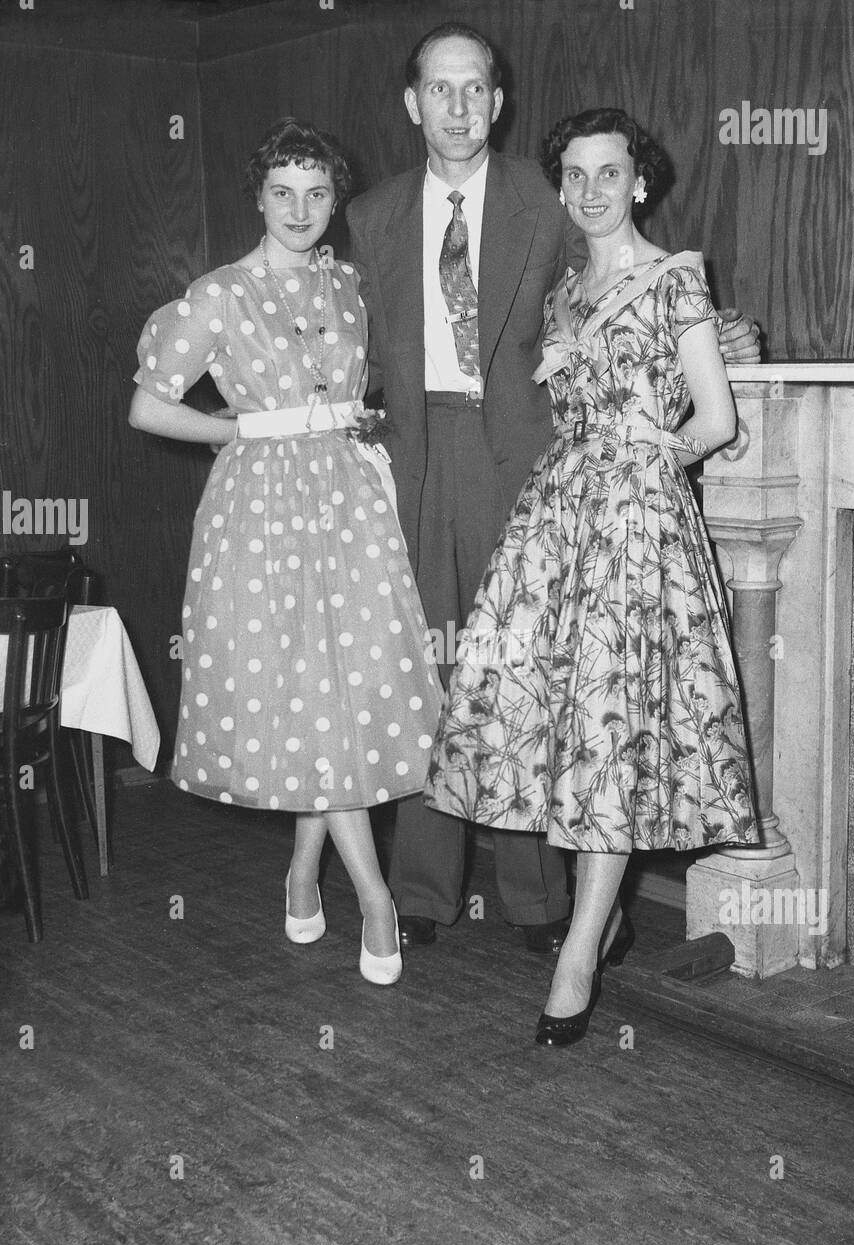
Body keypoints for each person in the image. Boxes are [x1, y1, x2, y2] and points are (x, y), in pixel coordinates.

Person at [347, 24, 759, 958]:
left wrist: (729, 349)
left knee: (533, 675)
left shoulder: (555, 192)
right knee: (433, 671)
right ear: (414, 103)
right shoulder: (371, 216)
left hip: (537, 467)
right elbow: (356, 345)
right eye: (439, 90)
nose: (458, 108)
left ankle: (538, 900)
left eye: (475, 90)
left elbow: (649, 286)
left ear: (498, 101)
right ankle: (421, 887)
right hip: (416, 456)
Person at [424, 108, 759, 1044]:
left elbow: (720, 421)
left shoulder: (672, 283)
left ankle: (577, 959)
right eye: (573, 176)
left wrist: (665, 448)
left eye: (607, 173)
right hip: (560, 517)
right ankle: (596, 918)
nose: (590, 191)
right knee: (554, 722)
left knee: (610, 730)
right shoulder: (568, 289)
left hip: (636, 524)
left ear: (638, 181)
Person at [129, 118, 442, 986]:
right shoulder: (218, 294)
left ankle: (306, 871)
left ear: (335, 201)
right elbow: (149, 406)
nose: (300, 209)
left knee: (338, 700)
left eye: (317, 194)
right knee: (308, 694)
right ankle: (375, 899)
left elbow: (361, 385)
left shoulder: (349, 287)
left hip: (346, 504)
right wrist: (240, 427)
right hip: (261, 513)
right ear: (258, 197)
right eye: (282, 193)